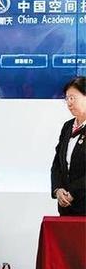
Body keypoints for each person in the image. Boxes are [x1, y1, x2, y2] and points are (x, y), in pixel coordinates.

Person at [51, 76, 86, 216]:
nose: (69, 103)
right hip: (66, 206)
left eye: (73, 98)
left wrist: (73, 191)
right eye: (67, 99)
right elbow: (57, 163)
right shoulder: (67, 126)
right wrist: (58, 189)